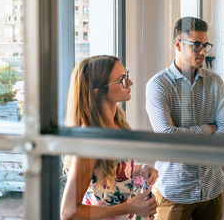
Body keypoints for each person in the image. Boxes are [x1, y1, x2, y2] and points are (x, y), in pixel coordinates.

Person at [146, 17, 224, 220]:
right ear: (178, 44)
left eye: (205, 45)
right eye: (196, 45)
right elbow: (168, 137)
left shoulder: (215, 83)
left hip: (212, 188)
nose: (203, 51)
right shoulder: (158, 85)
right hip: (174, 192)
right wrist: (208, 129)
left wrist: (182, 133)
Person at [60, 55, 158, 220]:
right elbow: (68, 212)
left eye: (126, 75)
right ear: (98, 92)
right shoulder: (90, 140)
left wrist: (141, 169)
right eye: (122, 80)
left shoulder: (117, 124)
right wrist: (128, 207)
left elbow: (107, 172)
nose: (130, 83)